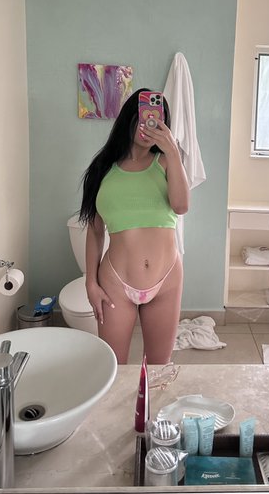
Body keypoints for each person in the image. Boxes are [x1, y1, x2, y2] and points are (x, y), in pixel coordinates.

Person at [79, 88, 189, 364]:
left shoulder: (166, 162)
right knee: (114, 369)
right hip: (115, 283)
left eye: (156, 118)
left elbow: (181, 206)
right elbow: (95, 230)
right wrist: (90, 282)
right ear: (129, 118)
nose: (148, 124)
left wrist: (173, 151)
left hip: (166, 280)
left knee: (158, 369)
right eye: (142, 116)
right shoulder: (103, 169)